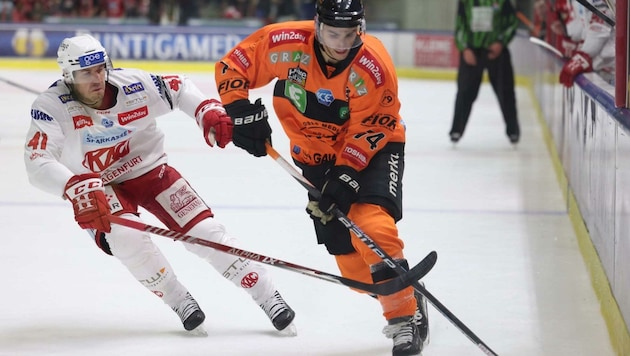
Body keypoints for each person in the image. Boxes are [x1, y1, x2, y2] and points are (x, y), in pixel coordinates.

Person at [23, 34, 296, 336]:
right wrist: (74, 187)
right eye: (86, 73)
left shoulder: (134, 85)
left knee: (205, 233)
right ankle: (179, 300)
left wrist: (206, 110)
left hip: (149, 170)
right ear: (68, 76)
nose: (97, 78)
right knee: (126, 238)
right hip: (98, 187)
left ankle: (269, 296)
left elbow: (178, 87)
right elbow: (36, 160)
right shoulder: (51, 106)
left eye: (101, 68)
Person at [213, 0, 428, 355]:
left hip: (373, 150)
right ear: (317, 24)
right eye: (333, 33)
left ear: (361, 27)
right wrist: (238, 110)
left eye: (350, 34)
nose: (341, 43)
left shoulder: (372, 66)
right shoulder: (285, 42)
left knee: (371, 225)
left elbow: (375, 124)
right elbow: (233, 65)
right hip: (314, 156)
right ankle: (405, 290)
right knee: (354, 269)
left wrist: (346, 176)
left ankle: (405, 319)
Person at [449, 0, 520, 144]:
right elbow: (460, 24)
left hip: (497, 52)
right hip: (471, 51)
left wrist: (501, 42)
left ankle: (513, 131)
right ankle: (456, 130)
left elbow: (512, 22)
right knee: (464, 92)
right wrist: (465, 48)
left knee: (506, 92)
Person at [558, 0, 615, 87]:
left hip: (612, 70)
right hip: (605, 67)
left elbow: (599, 29)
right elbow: (585, 27)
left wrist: (580, 58)